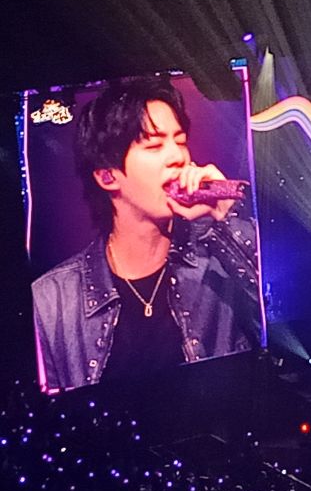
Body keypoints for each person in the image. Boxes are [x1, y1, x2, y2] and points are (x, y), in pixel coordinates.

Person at [31, 79, 261, 393]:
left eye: (180, 141)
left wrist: (225, 216)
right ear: (107, 176)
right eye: (154, 145)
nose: (178, 157)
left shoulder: (219, 260)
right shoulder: (51, 301)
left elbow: (286, 320)